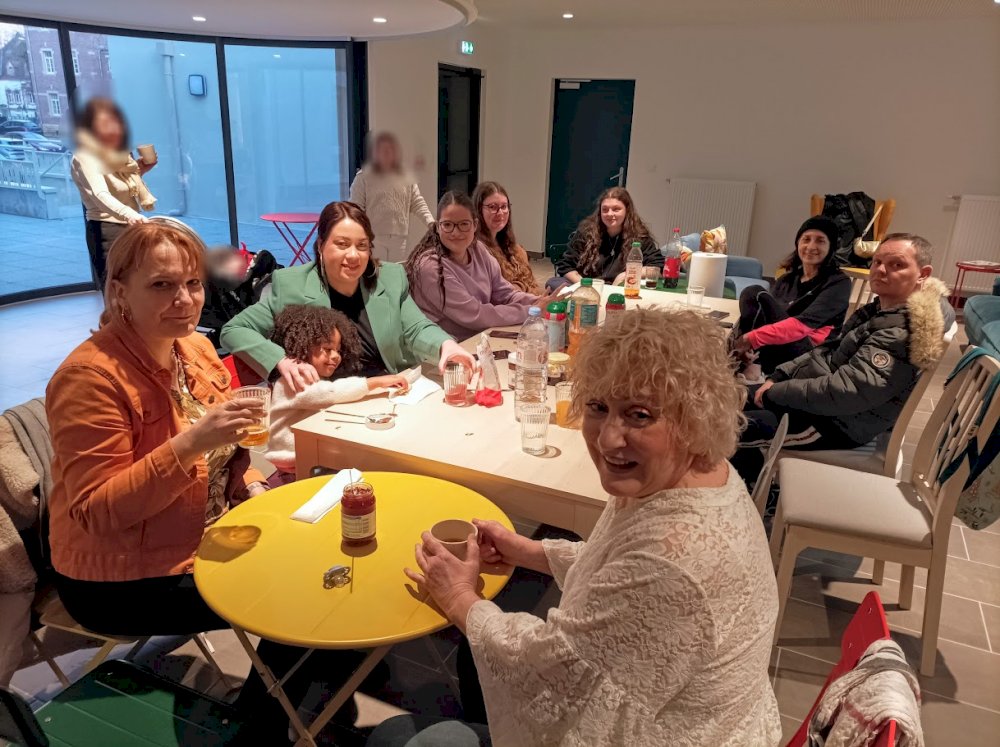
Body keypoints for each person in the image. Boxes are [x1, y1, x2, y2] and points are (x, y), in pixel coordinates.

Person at [372, 310, 782, 746]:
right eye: (598, 407)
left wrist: (458, 597)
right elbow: (617, 567)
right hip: (724, 721)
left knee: (397, 735)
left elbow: (554, 672)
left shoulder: (673, 559)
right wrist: (528, 551)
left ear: (694, 418)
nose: (608, 439)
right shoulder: (702, 473)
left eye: (639, 415)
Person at [44, 220, 356, 742]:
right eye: (161, 285)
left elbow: (233, 447)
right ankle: (260, 727)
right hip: (119, 576)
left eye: (192, 283)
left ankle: (311, 676)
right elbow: (99, 511)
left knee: (337, 553)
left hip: (203, 530)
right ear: (119, 291)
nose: (184, 299)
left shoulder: (195, 351)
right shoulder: (90, 379)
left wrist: (251, 482)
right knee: (302, 594)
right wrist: (190, 443)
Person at [735, 233, 954, 481]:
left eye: (897, 265)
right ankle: (750, 477)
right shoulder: (881, 310)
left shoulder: (903, 330)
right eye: (877, 262)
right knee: (722, 400)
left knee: (721, 428)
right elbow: (825, 351)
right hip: (814, 402)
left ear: (923, 274)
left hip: (833, 425)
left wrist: (776, 393)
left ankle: (748, 487)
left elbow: (848, 392)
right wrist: (779, 376)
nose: (881, 270)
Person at [220, 201, 475, 394]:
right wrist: (281, 361)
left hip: (388, 394)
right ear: (321, 246)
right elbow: (234, 329)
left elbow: (417, 327)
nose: (353, 255)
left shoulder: (390, 278)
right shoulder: (291, 285)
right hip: (329, 403)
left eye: (362, 246)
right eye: (342, 244)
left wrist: (447, 347)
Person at [263, 304, 411, 487]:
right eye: (327, 349)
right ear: (302, 345)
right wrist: (374, 382)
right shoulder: (293, 379)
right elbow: (328, 393)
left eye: (338, 350)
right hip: (292, 458)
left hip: (308, 448)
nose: (335, 356)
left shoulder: (310, 377)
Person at [405, 192, 552, 340]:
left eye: (464, 224)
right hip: (449, 348)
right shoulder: (431, 267)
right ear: (437, 227)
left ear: (475, 225)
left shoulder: (478, 249)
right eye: (447, 225)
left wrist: (539, 301)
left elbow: (504, 293)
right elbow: (476, 314)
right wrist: (533, 309)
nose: (456, 232)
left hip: (481, 337)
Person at [732, 216, 851, 377]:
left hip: (809, 353)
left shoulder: (838, 283)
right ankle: (751, 362)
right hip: (780, 345)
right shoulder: (787, 279)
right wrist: (750, 344)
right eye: (806, 239)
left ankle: (753, 366)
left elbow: (800, 327)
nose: (811, 246)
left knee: (755, 293)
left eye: (820, 241)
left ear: (831, 248)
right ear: (798, 243)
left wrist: (748, 339)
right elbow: (767, 319)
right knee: (755, 301)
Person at [71, 97, 156, 284]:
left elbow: (121, 186)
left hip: (131, 226)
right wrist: (130, 215)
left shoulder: (118, 153)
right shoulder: (85, 157)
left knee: (140, 288)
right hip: (107, 231)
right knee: (116, 292)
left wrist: (140, 171)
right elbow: (100, 195)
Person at [349, 132, 434, 262]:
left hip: (400, 237)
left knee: (397, 272)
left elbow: (417, 201)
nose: (387, 153)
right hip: (374, 237)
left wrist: (430, 222)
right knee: (376, 274)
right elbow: (355, 209)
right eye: (383, 150)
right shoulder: (363, 177)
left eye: (390, 150)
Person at [554, 187, 661, 285]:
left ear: (627, 211)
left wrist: (625, 275)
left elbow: (656, 266)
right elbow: (565, 265)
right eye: (605, 210)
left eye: (616, 209)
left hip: (621, 289)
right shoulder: (586, 233)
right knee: (553, 283)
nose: (609, 214)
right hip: (588, 286)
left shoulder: (639, 236)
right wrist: (586, 285)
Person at [472, 181, 543, 295]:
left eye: (504, 207)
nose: (500, 213)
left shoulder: (516, 249)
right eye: (492, 207)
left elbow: (532, 285)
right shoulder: (477, 250)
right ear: (479, 210)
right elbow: (497, 294)